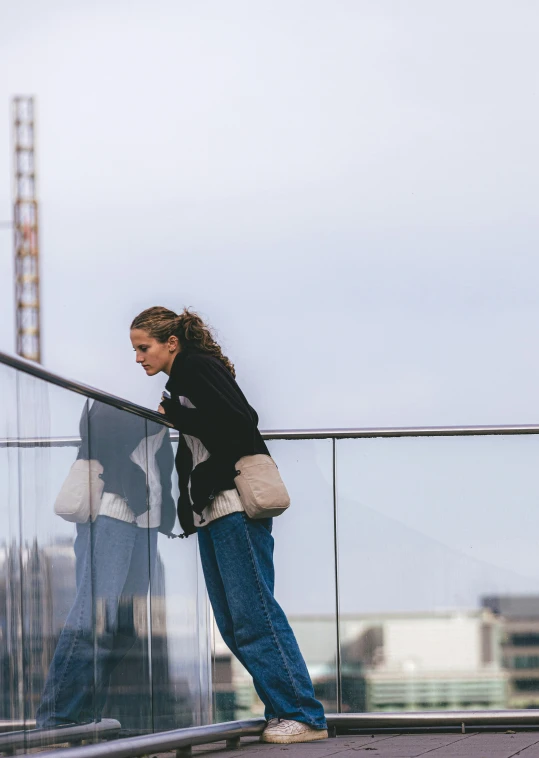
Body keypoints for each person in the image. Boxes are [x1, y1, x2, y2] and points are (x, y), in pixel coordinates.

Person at [130, 306, 328, 745]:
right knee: (235, 622)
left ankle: (304, 715)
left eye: (144, 348)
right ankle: (284, 710)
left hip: (234, 506)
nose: (139, 358)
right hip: (214, 510)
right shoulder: (180, 379)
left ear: (171, 343)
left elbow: (242, 422)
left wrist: (179, 417)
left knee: (254, 615)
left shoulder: (198, 367)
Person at [36, 400, 176, 729]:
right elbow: (101, 436)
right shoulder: (113, 401)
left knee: (124, 629)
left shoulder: (162, 401)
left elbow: (161, 466)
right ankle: (56, 718)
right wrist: (158, 419)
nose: (141, 359)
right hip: (111, 512)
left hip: (145, 520)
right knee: (92, 619)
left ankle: (85, 715)